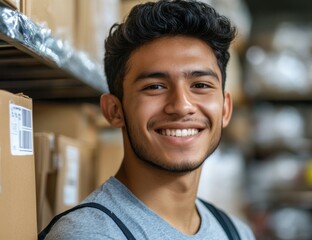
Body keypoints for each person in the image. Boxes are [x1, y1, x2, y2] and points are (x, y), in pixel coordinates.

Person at [40, 0, 255, 239]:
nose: (182, 105)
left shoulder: (235, 232)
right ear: (114, 110)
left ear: (225, 109)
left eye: (201, 85)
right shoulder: (92, 234)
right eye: (155, 86)